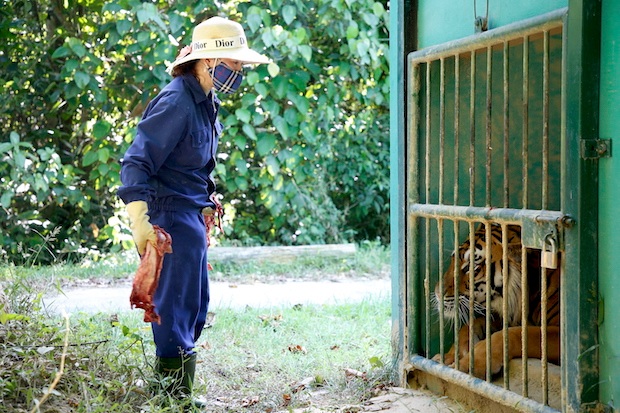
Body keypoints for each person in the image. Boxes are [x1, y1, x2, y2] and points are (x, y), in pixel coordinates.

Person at [118, 16, 270, 409]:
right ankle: (170, 401)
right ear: (206, 61)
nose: (239, 71)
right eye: (233, 63)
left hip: (190, 216)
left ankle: (179, 396)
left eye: (240, 64)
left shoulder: (206, 101)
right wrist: (140, 222)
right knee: (172, 310)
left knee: (192, 307)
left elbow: (194, 165)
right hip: (167, 218)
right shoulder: (176, 101)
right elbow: (136, 163)